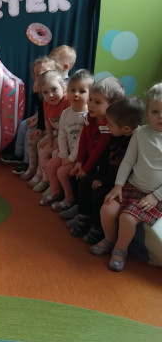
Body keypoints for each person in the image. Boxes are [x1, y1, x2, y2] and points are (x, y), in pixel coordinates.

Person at [90, 83, 162, 272]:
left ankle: (120, 250)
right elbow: (127, 162)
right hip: (132, 186)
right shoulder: (140, 133)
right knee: (107, 209)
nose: (160, 116)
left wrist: (156, 196)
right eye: (155, 111)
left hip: (155, 195)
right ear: (147, 113)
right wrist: (118, 186)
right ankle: (110, 239)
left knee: (128, 219)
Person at [68, 97, 144, 243]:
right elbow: (104, 156)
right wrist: (99, 176)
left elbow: (122, 168)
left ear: (126, 129)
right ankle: (84, 215)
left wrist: (104, 181)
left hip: (118, 180)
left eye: (110, 124)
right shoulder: (115, 133)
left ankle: (97, 227)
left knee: (99, 194)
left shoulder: (134, 141)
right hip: (106, 173)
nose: (107, 126)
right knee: (84, 182)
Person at [61, 77, 125, 221]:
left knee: (85, 182)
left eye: (97, 102)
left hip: (101, 166)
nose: (90, 104)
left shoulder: (107, 126)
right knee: (73, 175)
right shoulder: (89, 117)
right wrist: (79, 162)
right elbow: (83, 140)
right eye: (90, 99)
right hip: (89, 160)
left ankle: (85, 215)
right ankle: (78, 205)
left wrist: (85, 169)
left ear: (112, 106)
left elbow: (99, 151)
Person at [40, 70, 93, 209]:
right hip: (67, 153)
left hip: (80, 156)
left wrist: (70, 158)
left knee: (62, 172)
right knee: (51, 165)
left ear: (90, 95)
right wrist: (63, 155)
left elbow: (82, 142)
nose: (76, 94)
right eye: (72, 90)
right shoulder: (66, 113)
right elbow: (62, 135)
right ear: (67, 91)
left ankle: (69, 199)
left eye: (82, 91)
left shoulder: (89, 116)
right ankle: (55, 193)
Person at [10, 57, 62, 177]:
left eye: (44, 72)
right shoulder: (41, 88)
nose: (41, 76)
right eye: (37, 74)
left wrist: (39, 126)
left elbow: (48, 112)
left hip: (51, 124)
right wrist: (36, 94)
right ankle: (18, 154)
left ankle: (27, 162)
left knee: (30, 133)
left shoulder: (56, 90)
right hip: (44, 119)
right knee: (24, 124)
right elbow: (42, 108)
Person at [27, 70, 71, 192]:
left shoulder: (67, 102)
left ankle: (55, 184)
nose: (50, 95)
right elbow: (47, 121)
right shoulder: (46, 103)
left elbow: (71, 128)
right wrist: (50, 138)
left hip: (67, 138)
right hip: (57, 135)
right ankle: (45, 179)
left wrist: (60, 143)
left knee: (56, 154)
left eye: (54, 90)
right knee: (42, 148)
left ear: (63, 87)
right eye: (45, 92)